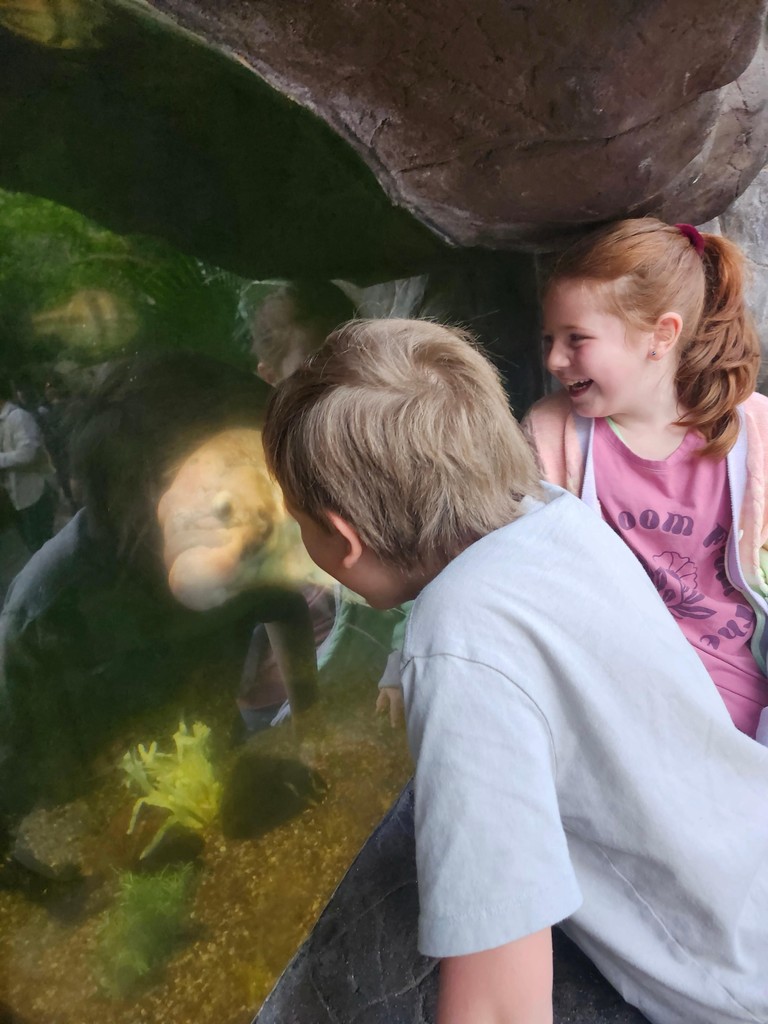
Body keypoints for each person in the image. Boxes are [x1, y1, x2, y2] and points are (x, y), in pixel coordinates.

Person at [261, 318, 768, 1024]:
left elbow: (501, 1002)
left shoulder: (460, 643)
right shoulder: (551, 514)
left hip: (730, 975)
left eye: (300, 523)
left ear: (342, 538)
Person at [524, 218, 768, 743]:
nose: (553, 360)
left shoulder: (754, 432)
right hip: (611, 694)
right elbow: (509, 566)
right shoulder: (551, 435)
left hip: (736, 695)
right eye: (549, 339)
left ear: (661, 336)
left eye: (576, 339)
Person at [0, 371, 56, 552]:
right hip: (18, 498)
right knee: (34, 549)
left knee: (42, 549)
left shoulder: (17, 417)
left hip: (34, 494)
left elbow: (27, 454)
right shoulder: (3, 422)